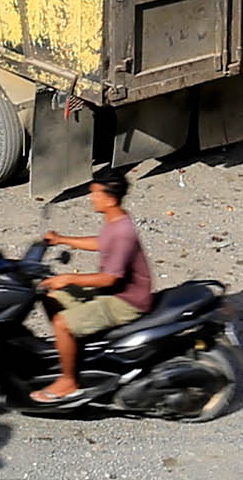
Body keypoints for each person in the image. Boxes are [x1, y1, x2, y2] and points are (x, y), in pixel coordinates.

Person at [29, 165, 154, 403]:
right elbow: (102, 243)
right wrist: (62, 240)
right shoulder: (117, 218)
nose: (91, 198)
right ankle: (72, 349)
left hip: (126, 302)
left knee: (62, 323)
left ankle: (68, 383)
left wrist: (68, 278)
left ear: (110, 199)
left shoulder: (123, 232)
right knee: (50, 293)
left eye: (95, 194)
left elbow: (110, 278)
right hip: (112, 291)